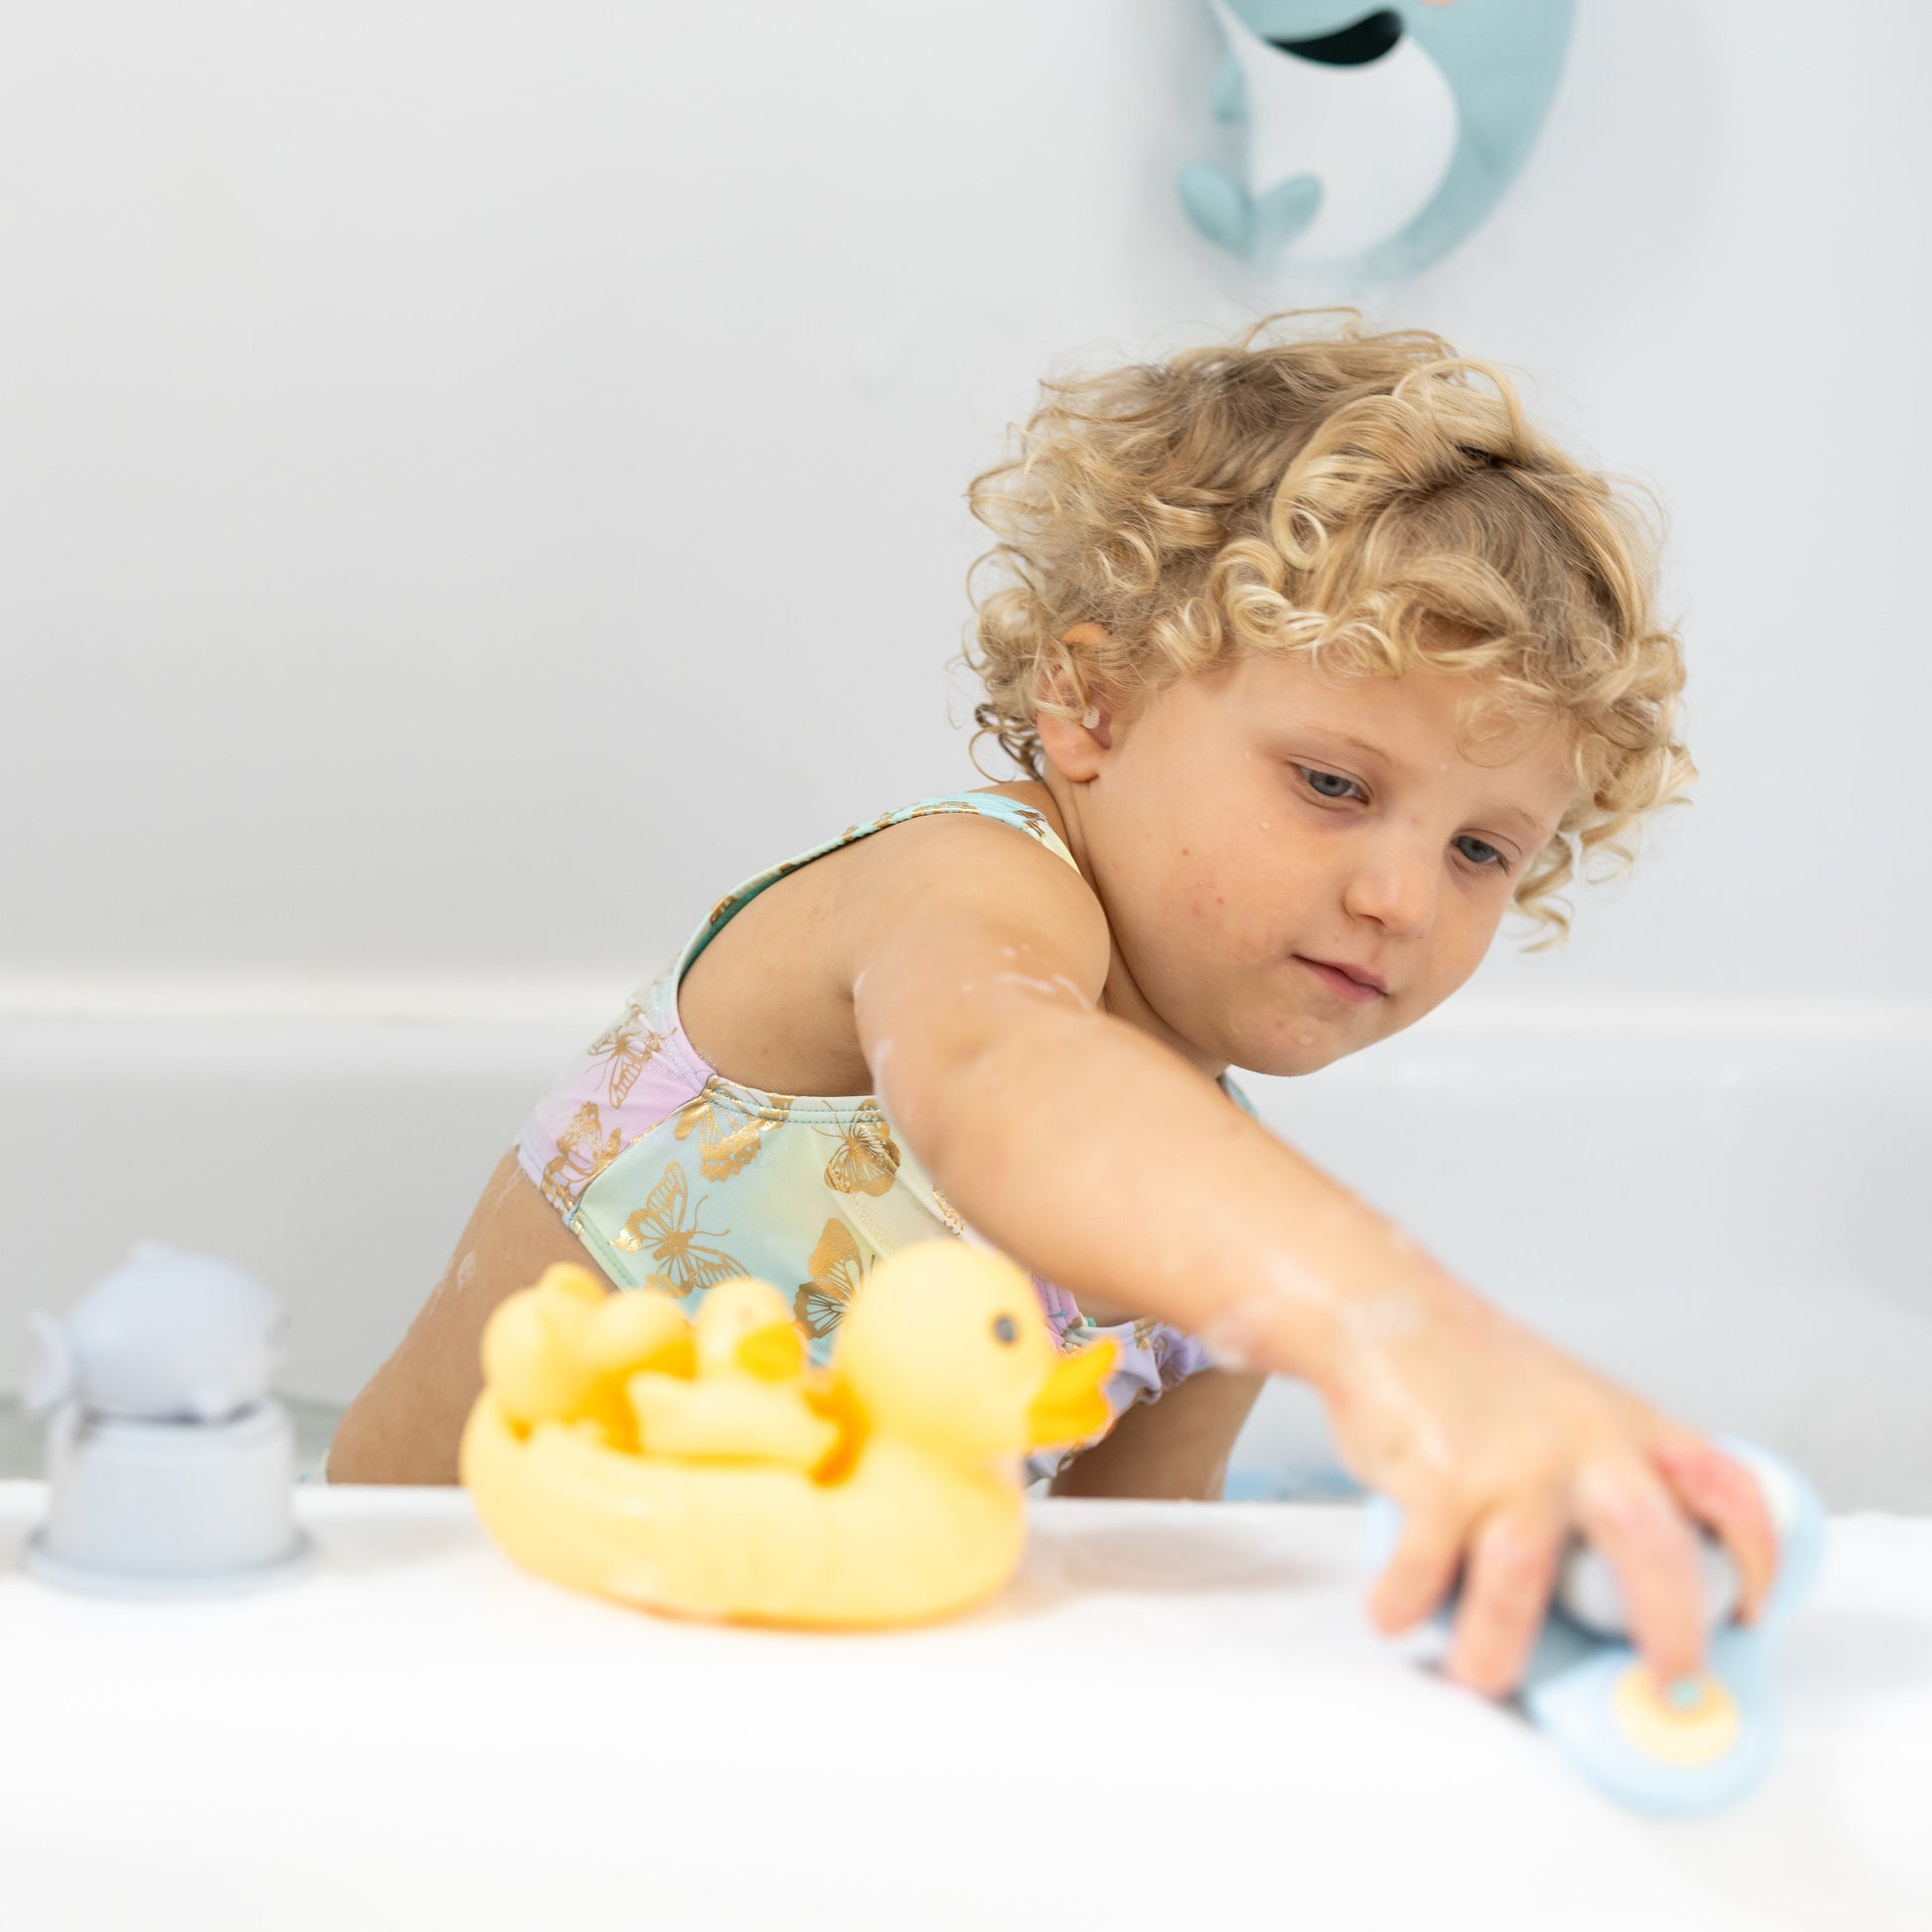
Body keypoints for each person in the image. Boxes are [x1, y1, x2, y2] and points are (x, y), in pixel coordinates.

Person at [330, 314, 1779, 1702]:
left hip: (720, 1720)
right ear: (1089, 702)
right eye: (1332, 785)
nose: (1402, 895)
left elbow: (1111, 1625)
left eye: (1480, 850)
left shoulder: (1199, 1268)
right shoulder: (956, 894)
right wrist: (1407, 1330)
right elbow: (1004, 1080)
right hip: (393, 1640)